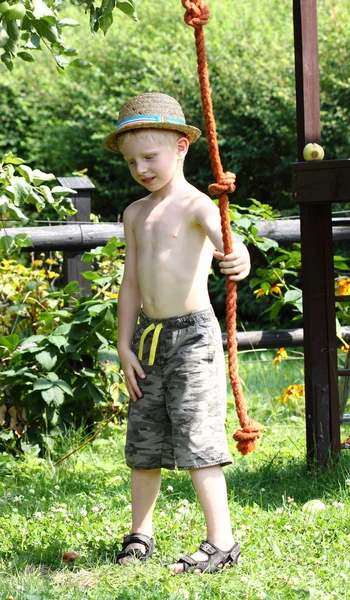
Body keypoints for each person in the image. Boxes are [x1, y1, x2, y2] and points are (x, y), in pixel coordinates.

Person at [104, 92, 250, 573]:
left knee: (196, 436)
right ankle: (140, 533)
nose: (141, 168)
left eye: (150, 156)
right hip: (148, 338)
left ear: (181, 148)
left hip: (193, 339)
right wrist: (124, 344)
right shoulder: (134, 214)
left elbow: (229, 242)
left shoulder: (196, 204)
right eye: (132, 161)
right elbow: (130, 284)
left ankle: (222, 541)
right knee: (143, 441)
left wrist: (240, 258)